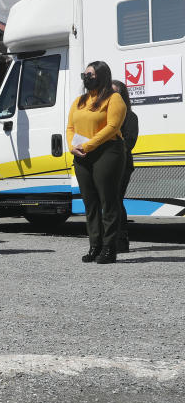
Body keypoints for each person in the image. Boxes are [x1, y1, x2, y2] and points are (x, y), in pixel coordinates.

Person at [65, 63, 127, 264]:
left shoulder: (114, 98)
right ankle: (95, 245)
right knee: (90, 203)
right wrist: (71, 146)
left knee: (108, 201)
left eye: (90, 74)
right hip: (82, 154)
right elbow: (70, 127)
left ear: (101, 76)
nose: (86, 77)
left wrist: (89, 145)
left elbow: (112, 127)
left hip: (107, 151)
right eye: (85, 74)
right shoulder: (80, 101)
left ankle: (110, 247)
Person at [112, 80, 138, 253]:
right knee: (108, 202)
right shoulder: (105, 115)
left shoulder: (130, 116)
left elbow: (129, 141)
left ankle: (121, 240)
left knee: (116, 200)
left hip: (122, 164)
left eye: (115, 93)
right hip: (105, 165)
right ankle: (109, 239)